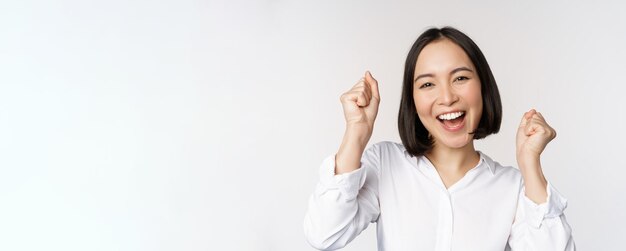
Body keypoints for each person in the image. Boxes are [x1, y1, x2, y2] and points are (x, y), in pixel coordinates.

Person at [303, 27, 575, 251]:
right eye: (427, 84)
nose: (447, 98)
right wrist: (356, 132)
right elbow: (324, 234)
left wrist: (530, 165)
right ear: (413, 100)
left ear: (483, 87)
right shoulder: (385, 164)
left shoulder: (513, 188)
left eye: (460, 78)